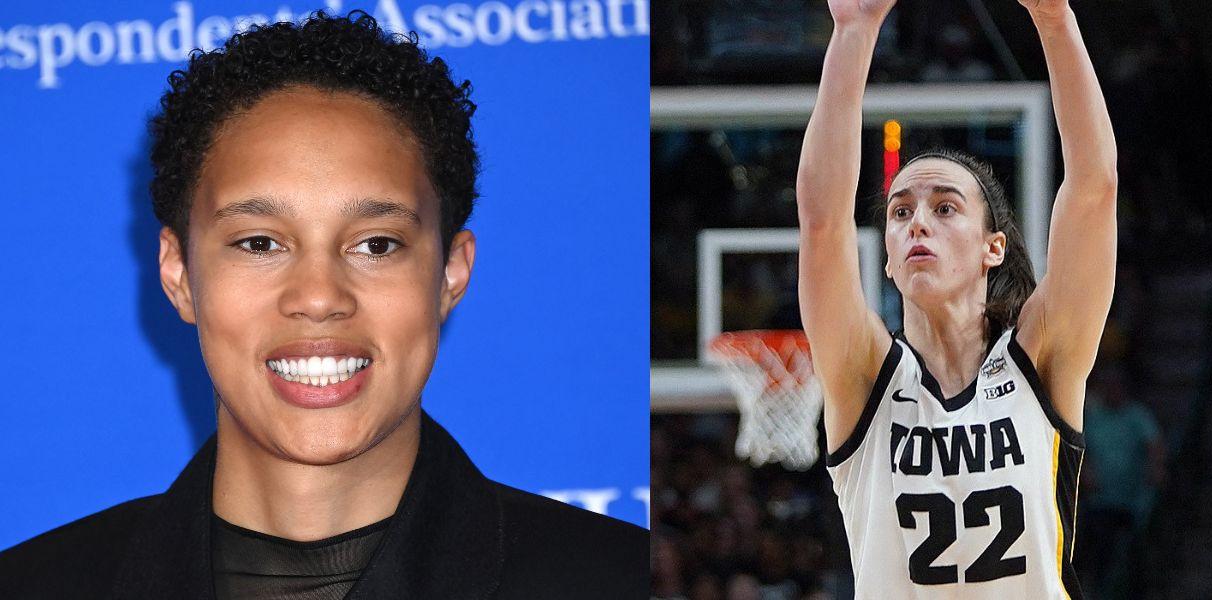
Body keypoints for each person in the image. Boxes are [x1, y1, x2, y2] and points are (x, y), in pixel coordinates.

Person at [0, 10, 646, 599]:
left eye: (375, 244)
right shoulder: (35, 584)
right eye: (259, 242)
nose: (318, 297)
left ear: (451, 273)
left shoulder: (617, 578)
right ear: (178, 275)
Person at [797, 0, 1115, 597]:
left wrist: (1054, 17)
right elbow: (821, 221)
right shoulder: (864, 376)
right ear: (886, 259)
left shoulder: (1039, 361)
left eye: (944, 208)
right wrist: (854, 29)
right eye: (900, 212)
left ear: (993, 248)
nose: (917, 223)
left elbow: (1095, 188)